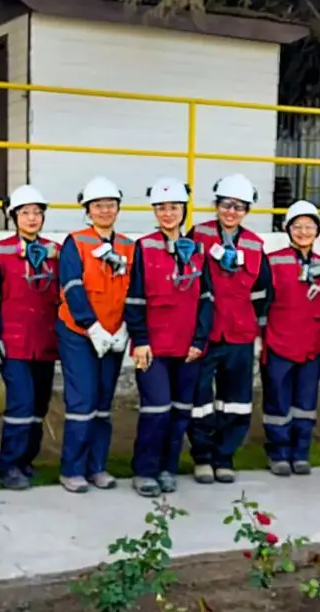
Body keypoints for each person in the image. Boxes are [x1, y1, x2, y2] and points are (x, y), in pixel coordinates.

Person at [124, 178, 214, 497]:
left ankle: (167, 468)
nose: (167, 213)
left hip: (187, 347)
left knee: (179, 410)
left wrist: (199, 341)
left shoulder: (198, 250)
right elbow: (134, 299)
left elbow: (206, 299)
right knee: (156, 408)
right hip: (154, 347)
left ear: (184, 210)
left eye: (173, 207)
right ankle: (145, 470)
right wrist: (140, 341)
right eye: (161, 208)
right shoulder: (144, 247)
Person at [186, 173, 268, 484]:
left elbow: (263, 292)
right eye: (226, 204)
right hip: (205, 333)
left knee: (236, 399)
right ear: (216, 205)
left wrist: (256, 328)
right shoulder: (199, 235)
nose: (231, 212)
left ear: (247, 210)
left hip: (240, 334)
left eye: (239, 207)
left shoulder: (255, 244)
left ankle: (225, 456)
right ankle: (203, 457)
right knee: (200, 400)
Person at [257, 201, 320, 476]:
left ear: (318, 231)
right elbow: (260, 303)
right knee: (277, 402)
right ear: (287, 229)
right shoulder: (272, 261)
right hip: (278, 344)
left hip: (311, 346)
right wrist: (262, 339)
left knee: (306, 404)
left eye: (309, 226)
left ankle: (300, 453)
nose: (303, 231)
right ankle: (279, 454)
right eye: (297, 226)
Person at [56, 177, 134, 493]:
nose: (104, 210)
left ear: (117, 208)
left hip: (114, 333)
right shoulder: (75, 243)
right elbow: (72, 287)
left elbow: (135, 290)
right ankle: (72, 469)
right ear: (87, 210)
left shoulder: (128, 246)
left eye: (110, 205)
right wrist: (92, 326)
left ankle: (97, 467)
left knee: (103, 402)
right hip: (79, 333)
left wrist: (127, 326)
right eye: (98, 205)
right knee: (82, 400)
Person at [0, 184, 61, 491]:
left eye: (37, 213)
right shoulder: (0, 251)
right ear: (12, 216)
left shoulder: (55, 251)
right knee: (21, 402)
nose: (32, 218)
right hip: (12, 342)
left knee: (39, 405)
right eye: (25, 213)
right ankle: (8, 466)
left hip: (45, 341)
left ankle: (27, 459)